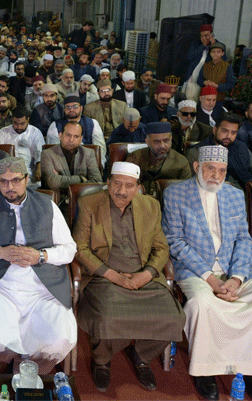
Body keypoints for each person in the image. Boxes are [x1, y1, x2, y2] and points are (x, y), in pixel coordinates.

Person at [163, 145, 252, 401]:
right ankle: (205, 371)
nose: (216, 176)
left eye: (222, 170)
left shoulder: (234, 194)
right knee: (202, 304)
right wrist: (210, 278)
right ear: (197, 167)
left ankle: (251, 369)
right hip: (197, 271)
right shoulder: (175, 194)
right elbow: (175, 241)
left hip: (235, 269)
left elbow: (244, 238)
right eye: (210, 169)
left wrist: (236, 278)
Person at [74, 162, 184, 392]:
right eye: (117, 184)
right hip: (105, 276)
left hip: (144, 278)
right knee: (107, 316)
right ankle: (102, 361)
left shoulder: (151, 206)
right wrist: (115, 277)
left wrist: (147, 274)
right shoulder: (90, 204)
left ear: (138, 188)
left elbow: (162, 248)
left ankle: (141, 356)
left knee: (173, 318)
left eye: (129, 186)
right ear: (108, 183)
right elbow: (80, 247)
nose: (122, 191)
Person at [0, 157, 77, 374]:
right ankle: (15, 367)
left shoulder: (47, 205)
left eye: (15, 180)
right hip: (0, 287)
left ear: (26, 179)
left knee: (58, 338)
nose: (10, 187)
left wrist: (40, 255)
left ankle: (28, 373)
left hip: (43, 288)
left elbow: (69, 249)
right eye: (4, 182)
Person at [187, 114, 252, 189]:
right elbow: (193, 183)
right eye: (225, 131)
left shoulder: (242, 148)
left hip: (245, 193)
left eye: (233, 132)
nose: (228, 136)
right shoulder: (197, 152)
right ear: (215, 130)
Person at [41, 121, 102, 208]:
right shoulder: (47, 154)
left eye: (76, 136)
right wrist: (81, 179)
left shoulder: (88, 153)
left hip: (83, 202)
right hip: (57, 205)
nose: (71, 140)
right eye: (68, 135)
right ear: (60, 136)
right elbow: (52, 182)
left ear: (81, 139)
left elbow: (97, 181)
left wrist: (61, 180)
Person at [126, 122, 192, 196]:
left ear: (171, 139)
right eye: (157, 142)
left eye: (166, 141)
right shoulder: (135, 157)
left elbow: (187, 190)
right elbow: (126, 184)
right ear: (147, 142)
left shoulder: (181, 161)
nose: (162, 146)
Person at [46, 96, 105, 167]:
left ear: (81, 108)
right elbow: (54, 152)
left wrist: (99, 166)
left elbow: (100, 149)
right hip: (63, 165)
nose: (71, 110)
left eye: (75, 106)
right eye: (68, 107)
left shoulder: (92, 123)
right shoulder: (55, 125)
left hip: (88, 164)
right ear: (64, 110)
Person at [0, 107, 45, 184]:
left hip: (30, 172)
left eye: (22, 123)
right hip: (7, 172)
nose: (19, 127)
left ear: (28, 119)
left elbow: (40, 155)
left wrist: (38, 170)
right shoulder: (2, 133)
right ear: (12, 119)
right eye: (15, 123)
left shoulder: (35, 132)